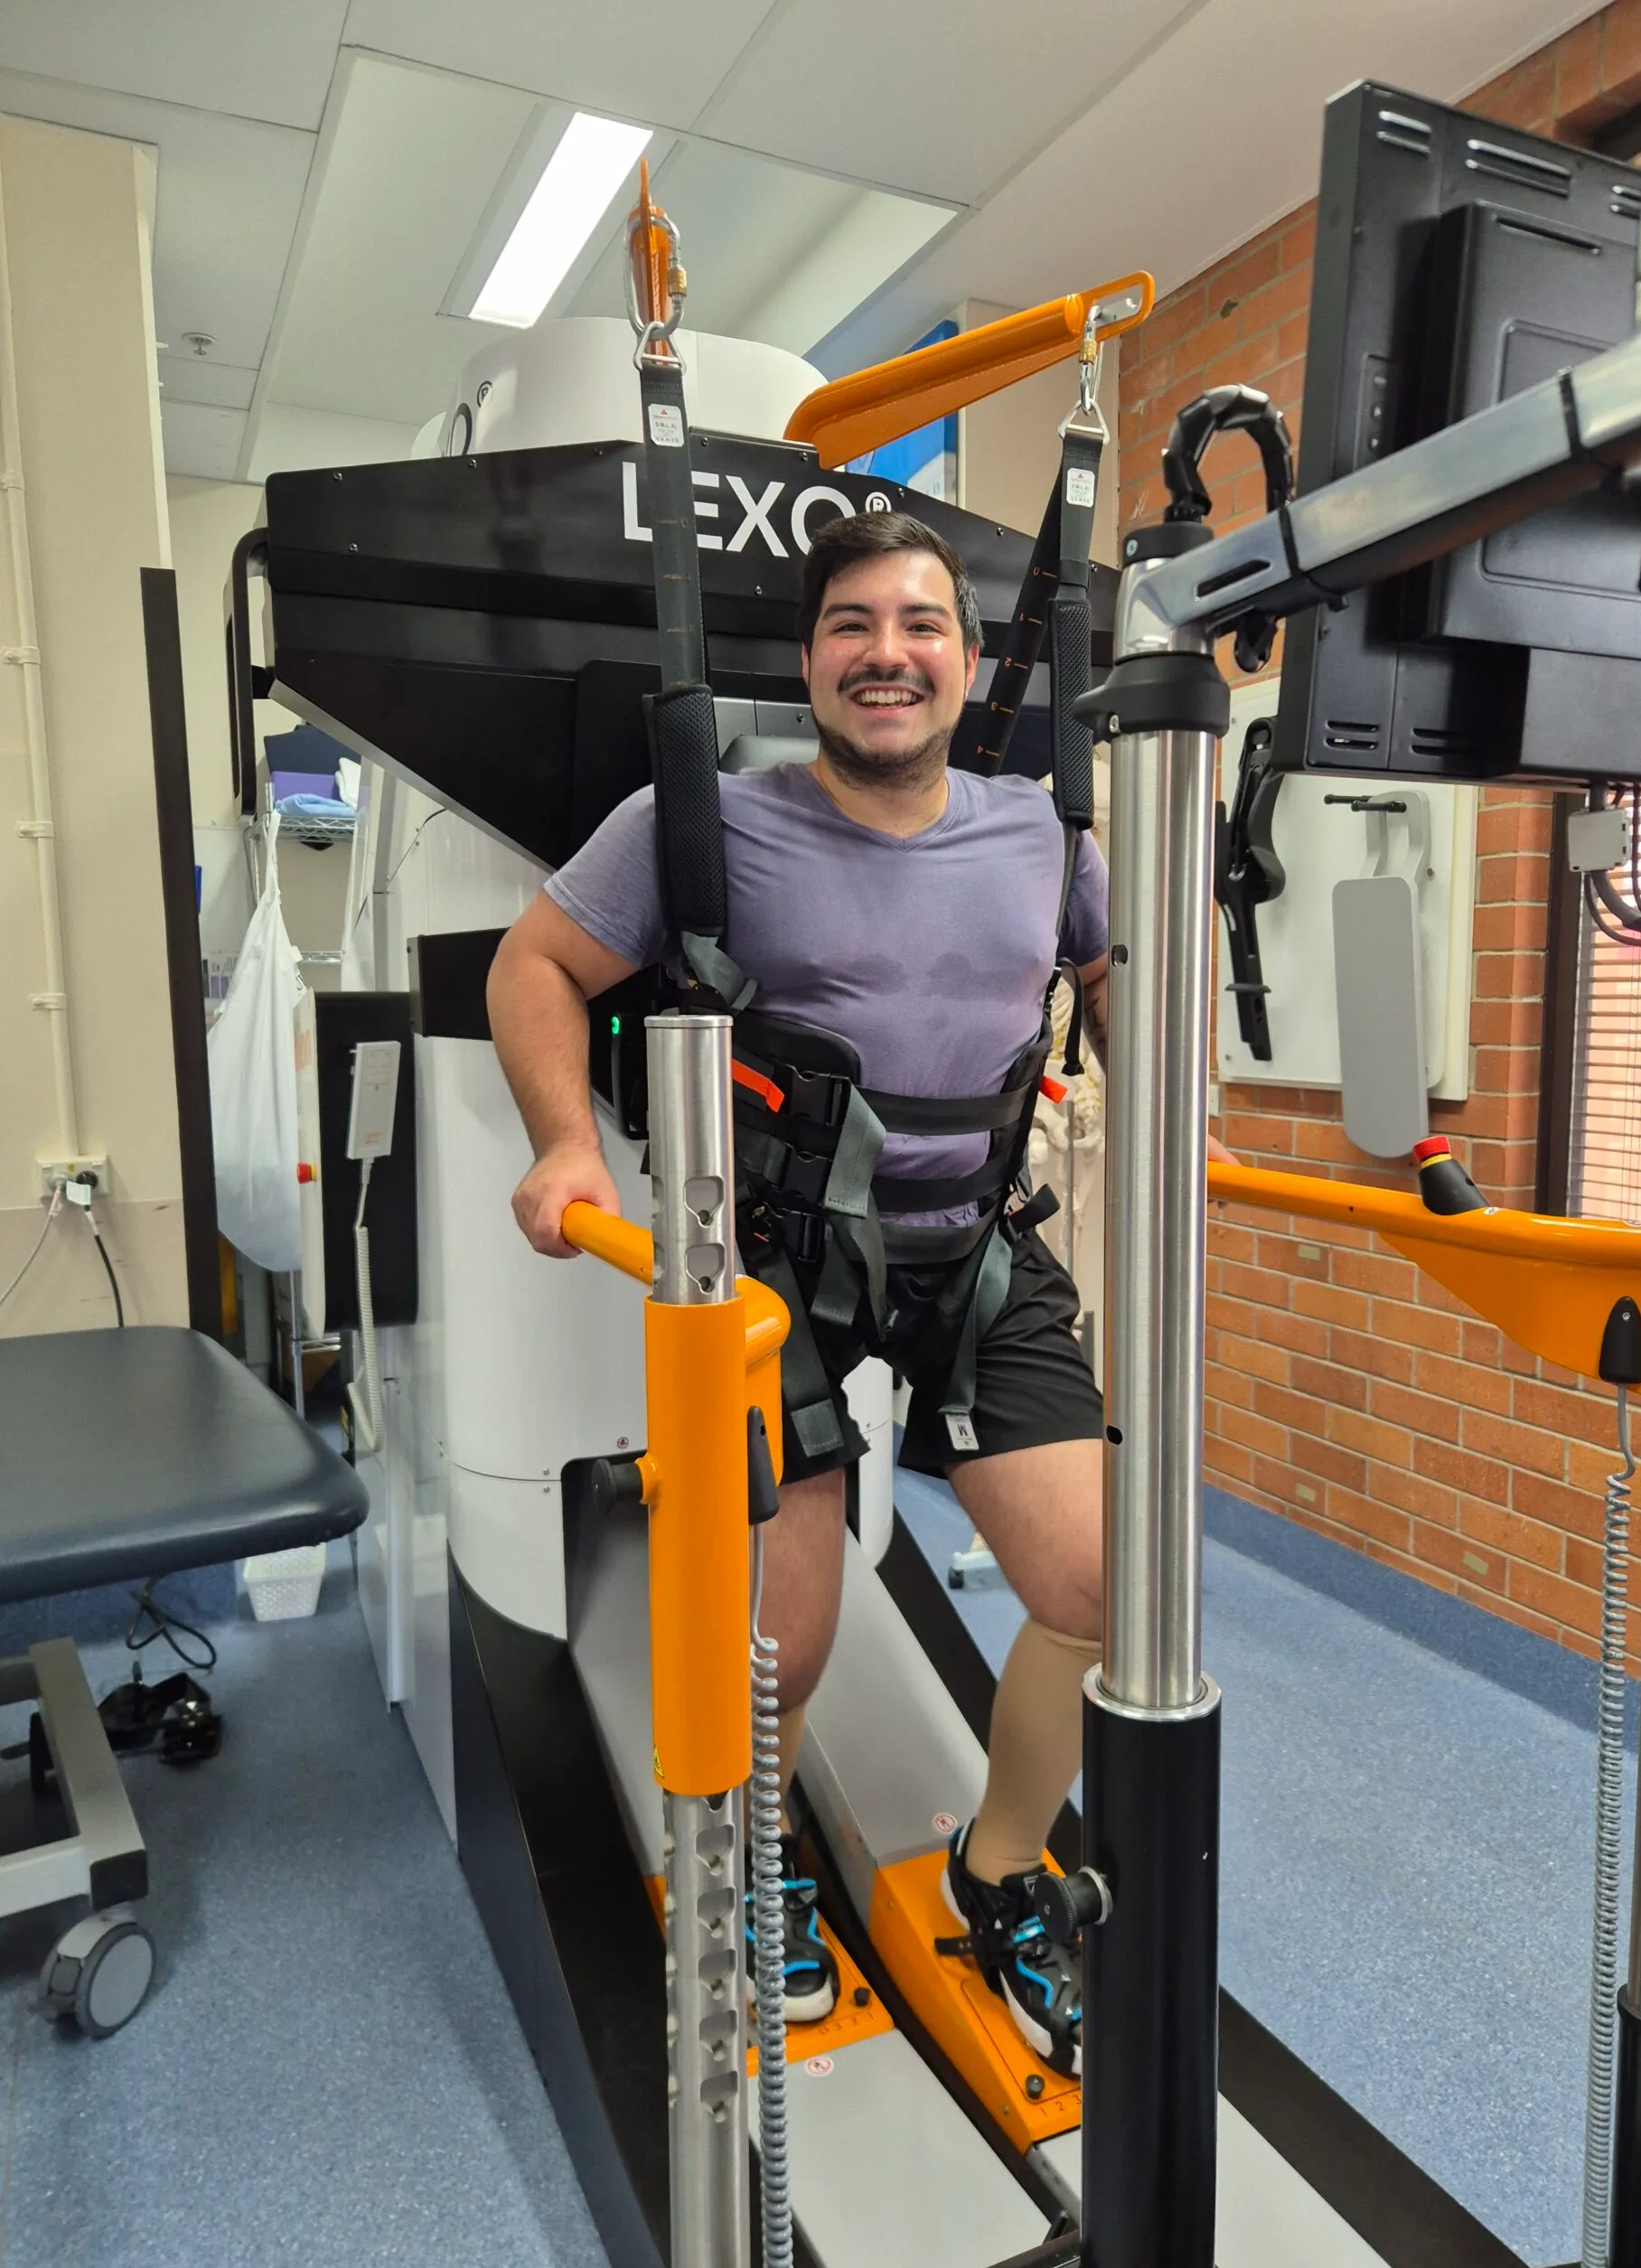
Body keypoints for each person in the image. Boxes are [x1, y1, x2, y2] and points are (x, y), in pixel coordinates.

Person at [488, 508, 1224, 2077]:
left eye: (920, 625)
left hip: (978, 1250)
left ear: (967, 657)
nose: (887, 654)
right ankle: (756, 1876)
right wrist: (565, 1145)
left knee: (1106, 1597)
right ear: (811, 659)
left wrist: (1164, 1095)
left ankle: (1002, 1864)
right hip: (782, 1275)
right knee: (784, 1644)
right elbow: (533, 966)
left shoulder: (1048, 833)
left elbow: (1112, 974)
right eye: (853, 627)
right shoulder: (704, 826)